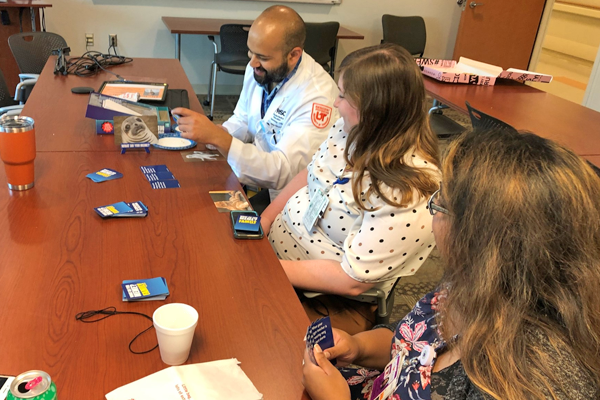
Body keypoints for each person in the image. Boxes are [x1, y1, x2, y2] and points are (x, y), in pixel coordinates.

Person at [302, 129, 600, 400]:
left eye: (441, 204)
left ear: (484, 239)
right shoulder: (476, 278)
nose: (432, 212)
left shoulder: (525, 380)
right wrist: (358, 347)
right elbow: (411, 342)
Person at [260, 43, 441, 297]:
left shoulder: (406, 190)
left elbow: (351, 280)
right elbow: (310, 174)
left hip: (322, 295)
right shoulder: (350, 130)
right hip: (275, 257)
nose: (335, 103)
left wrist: (265, 269)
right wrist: (264, 221)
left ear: (373, 110)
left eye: (343, 96)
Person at [173, 5, 338, 204]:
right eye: (251, 52)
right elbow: (244, 117)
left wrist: (221, 139)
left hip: (293, 199)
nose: (252, 63)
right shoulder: (261, 67)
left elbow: (283, 171)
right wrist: (220, 131)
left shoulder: (317, 98)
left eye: (263, 57)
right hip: (259, 176)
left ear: (294, 55)